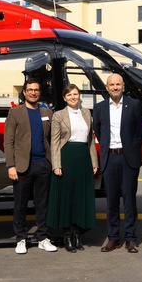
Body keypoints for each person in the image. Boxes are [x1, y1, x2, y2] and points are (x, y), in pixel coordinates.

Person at [4, 78, 58, 254]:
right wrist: (11, 166)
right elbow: (8, 141)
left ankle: (43, 237)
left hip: (43, 164)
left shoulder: (47, 113)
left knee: (43, 204)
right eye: (30, 90)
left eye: (36, 90)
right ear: (24, 92)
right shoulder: (15, 113)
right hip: (22, 166)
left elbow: (52, 139)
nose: (33, 92)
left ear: (39, 92)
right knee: (20, 205)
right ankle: (21, 238)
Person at [93, 73, 142, 253]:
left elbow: (140, 132)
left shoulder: (134, 105)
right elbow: (99, 131)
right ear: (107, 87)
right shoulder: (99, 108)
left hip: (128, 158)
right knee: (111, 201)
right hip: (109, 158)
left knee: (130, 200)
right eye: (111, 85)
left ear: (123, 86)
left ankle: (130, 238)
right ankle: (113, 238)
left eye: (118, 84)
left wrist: (130, 149)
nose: (115, 87)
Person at [47, 84, 98, 252]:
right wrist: (56, 165)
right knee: (67, 197)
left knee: (80, 197)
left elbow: (90, 141)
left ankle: (77, 234)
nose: (73, 97)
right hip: (67, 157)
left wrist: (94, 163)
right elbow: (54, 142)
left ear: (79, 95)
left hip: (83, 158)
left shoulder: (87, 113)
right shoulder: (58, 115)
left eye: (75, 94)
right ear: (64, 98)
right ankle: (67, 235)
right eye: (69, 95)